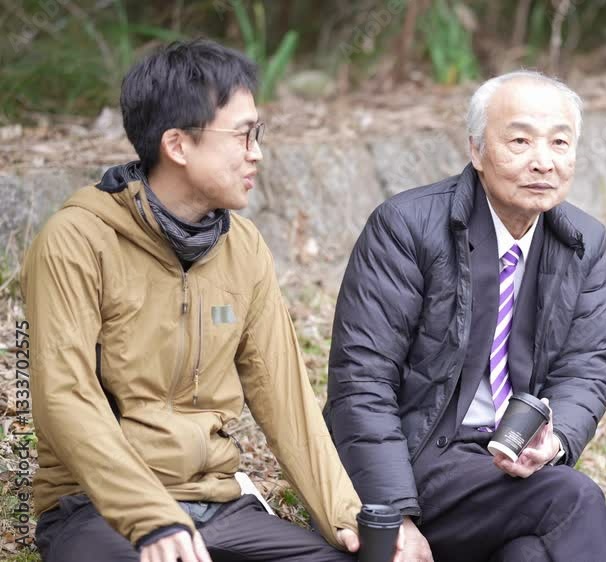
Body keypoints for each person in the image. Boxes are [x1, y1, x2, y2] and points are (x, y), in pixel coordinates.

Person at [22, 39, 383, 562]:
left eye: (258, 133)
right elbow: (65, 399)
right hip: (99, 509)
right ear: (178, 145)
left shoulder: (245, 246)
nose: (256, 151)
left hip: (219, 506)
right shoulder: (77, 239)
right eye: (243, 135)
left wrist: (348, 517)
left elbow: (286, 399)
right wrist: (151, 519)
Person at [324, 70, 606, 562]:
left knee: (530, 556)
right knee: (574, 497)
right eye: (520, 140)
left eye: (559, 143)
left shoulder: (582, 242)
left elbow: (586, 368)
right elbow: (362, 381)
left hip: (507, 469)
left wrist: (552, 445)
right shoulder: (407, 227)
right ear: (476, 151)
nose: (543, 162)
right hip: (417, 454)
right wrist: (395, 514)